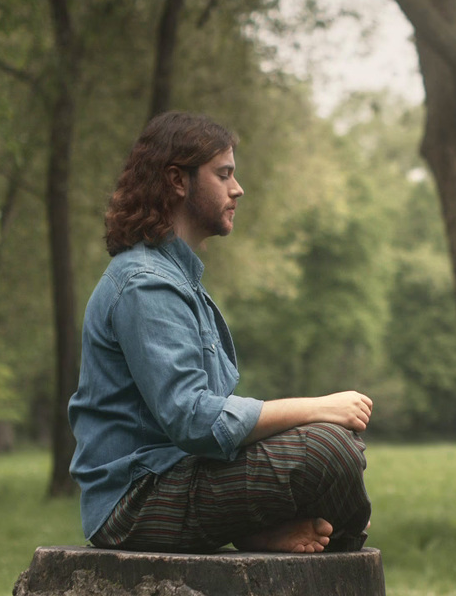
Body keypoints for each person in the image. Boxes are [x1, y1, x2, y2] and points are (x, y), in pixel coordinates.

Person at [68, 111, 373, 554]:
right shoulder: (145, 284)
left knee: (339, 446)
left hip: (181, 477)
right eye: (224, 174)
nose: (237, 189)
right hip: (135, 503)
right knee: (329, 450)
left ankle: (279, 533)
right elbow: (194, 419)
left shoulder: (177, 280)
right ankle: (321, 537)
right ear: (178, 180)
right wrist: (316, 408)